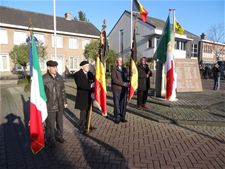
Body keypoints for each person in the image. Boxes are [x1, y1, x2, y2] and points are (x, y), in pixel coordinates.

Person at [43, 60, 67, 147]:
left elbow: (63, 90)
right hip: (50, 105)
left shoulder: (59, 77)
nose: (55, 69)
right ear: (48, 68)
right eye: (53, 67)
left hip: (60, 104)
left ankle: (59, 136)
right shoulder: (43, 78)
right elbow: (41, 94)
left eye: (56, 67)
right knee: (50, 124)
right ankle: (50, 139)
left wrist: (65, 101)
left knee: (60, 122)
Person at [74, 61, 95, 134]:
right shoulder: (77, 74)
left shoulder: (90, 74)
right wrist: (91, 86)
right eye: (86, 66)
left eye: (88, 66)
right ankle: (82, 126)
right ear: (82, 67)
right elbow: (80, 85)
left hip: (90, 96)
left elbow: (94, 81)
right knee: (83, 112)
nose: (88, 67)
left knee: (89, 111)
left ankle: (88, 124)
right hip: (82, 96)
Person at [111, 57, 129, 124]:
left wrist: (129, 79)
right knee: (116, 103)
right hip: (117, 89)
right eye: (119, 61)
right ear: (117, 62)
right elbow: (114, 80)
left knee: (123, 103)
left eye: (121, 60)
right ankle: (117, 117)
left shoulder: (125, 69)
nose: (120, 62)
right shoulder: (114, 69)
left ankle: (122, 117)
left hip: (124, 89)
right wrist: (123, 83)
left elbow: (127, 77)